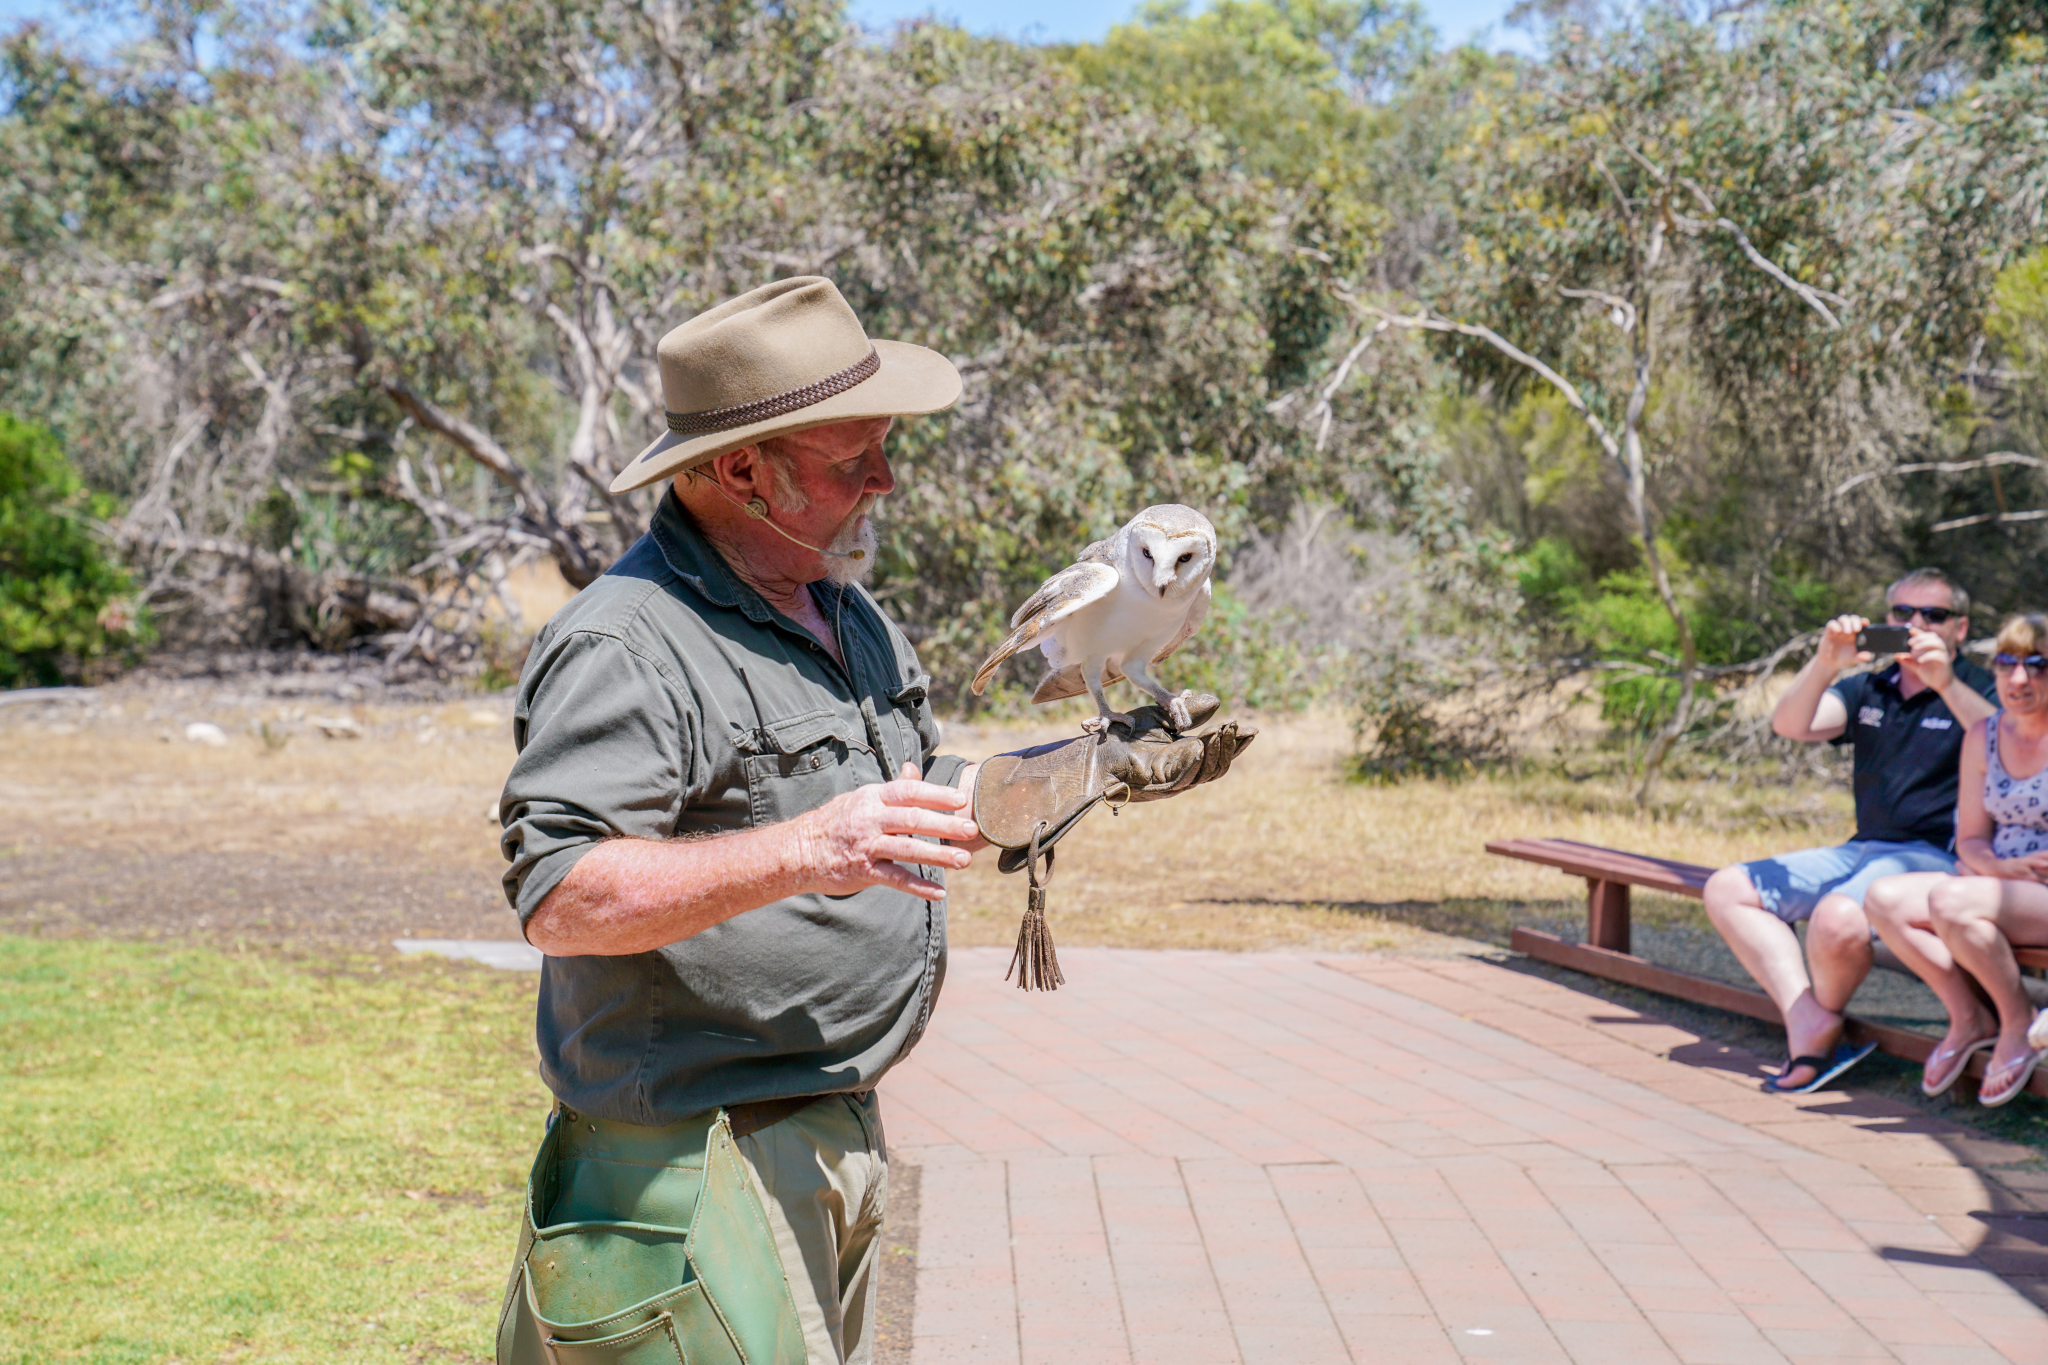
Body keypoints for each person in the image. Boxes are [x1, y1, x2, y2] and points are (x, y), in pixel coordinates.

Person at [491, 276, 1252, 1365]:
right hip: (689, 1168)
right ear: (742, 468)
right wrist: (810, 847)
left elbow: (899, 791)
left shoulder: (840, 612)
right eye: (853, 461)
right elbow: (565, 900)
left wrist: (1077, 767)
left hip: (824, 1132)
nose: (886, 483)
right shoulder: (628, 640)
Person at [1702, 569, 1996, 1094]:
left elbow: (2006, 743)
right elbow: (1792, 725)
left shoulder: (1981, 686)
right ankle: (1807, 1017)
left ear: (1960, 628)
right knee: (1727, 889)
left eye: (1933, 616)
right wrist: (1824, 663)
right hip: (1864, 850)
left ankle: (1818, 1039)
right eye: (1902, 614)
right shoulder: (1870, 687)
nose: (1916, 625)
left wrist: (1943, 683)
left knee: (1837, 916)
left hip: (1939, 859)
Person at [1863, 614, 2048, 1106]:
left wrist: (1988, 876)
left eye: (2038, 666)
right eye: (2006, 664)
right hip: (1993, 883)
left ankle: (2016, 1023)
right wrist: (1995, 869)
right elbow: (1969, 838)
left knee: (1952, 903)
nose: (2019, 679)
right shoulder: (1984, 735)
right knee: (1883, 900)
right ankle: (1969, 1016)